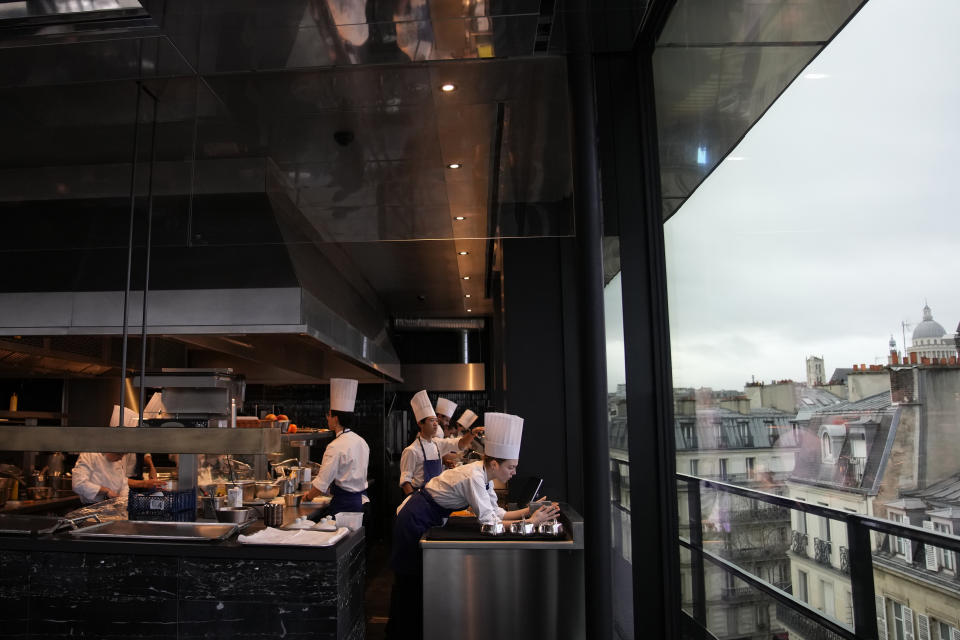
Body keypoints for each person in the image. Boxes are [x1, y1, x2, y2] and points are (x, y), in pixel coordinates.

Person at [385, 412, 560, 639]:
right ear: (495, 464)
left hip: (426, 517)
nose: (514, 473)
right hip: (414, 519)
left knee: (417, 583)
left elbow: (498, 513)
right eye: (511, 468)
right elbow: (490, 524)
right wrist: (530, 522)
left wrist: (530, 511)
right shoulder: (474, 476)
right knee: (409, 582)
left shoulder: (483, 475)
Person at [303, 378, 370, 518]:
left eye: (329, 414)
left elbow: (321, 484)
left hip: (344, 507)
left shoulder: (335, 446)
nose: (327, 418)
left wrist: (307, 497)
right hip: (361, 502)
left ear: (336, 418)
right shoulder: (362, 441)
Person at [399, 390, 483, 496]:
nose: (435, 424)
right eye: (431, 421)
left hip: (437, 496)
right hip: (420, 497)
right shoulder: (411, 450)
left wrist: (472, 433)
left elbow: (460, 444)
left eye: (436, 421)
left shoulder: (437, 443)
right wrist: (413, 501)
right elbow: (405, 481)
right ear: (421, 423)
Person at [71, 452, 163, 504]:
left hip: (113, 509)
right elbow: (78, 484)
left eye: (122, 455)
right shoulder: (89, 455)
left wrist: (124, 500)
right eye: (119, 455)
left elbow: (123, 484)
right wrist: (105, 490)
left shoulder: (117, 462)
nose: (120, 459)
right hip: (91, 509)